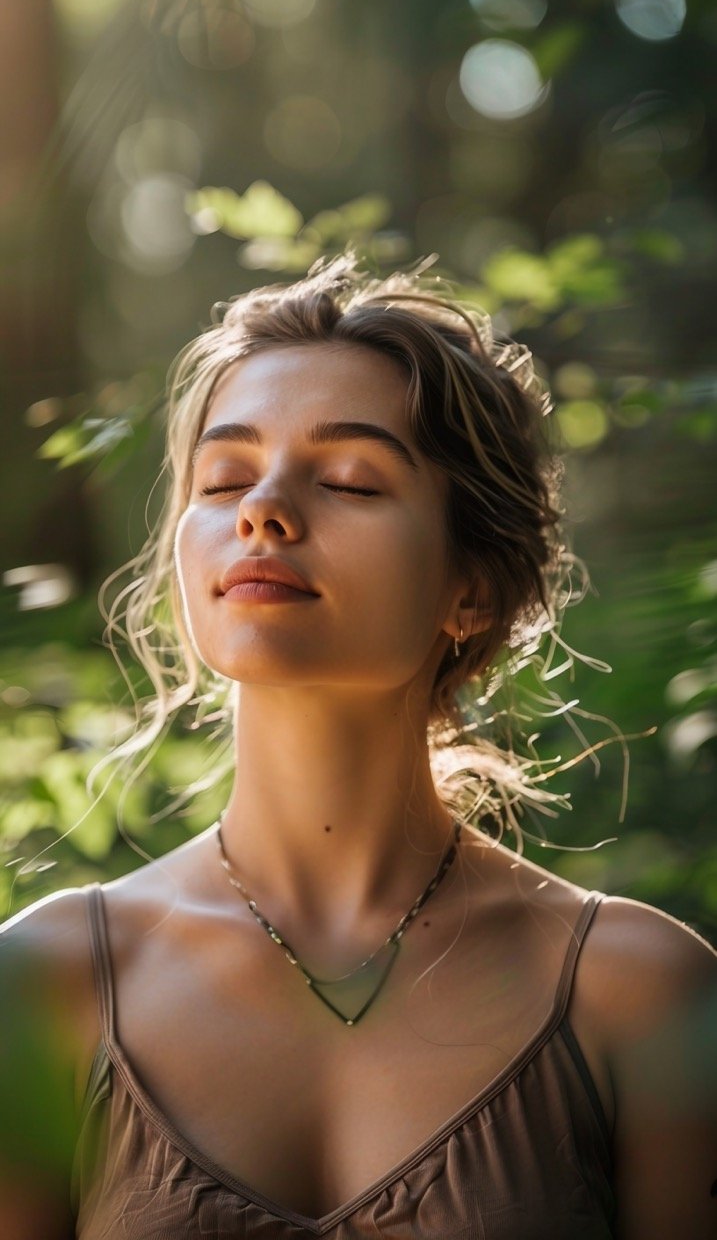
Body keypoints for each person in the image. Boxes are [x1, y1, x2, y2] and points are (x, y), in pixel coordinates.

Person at [0, 254, 715, 1239]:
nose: (263, 509)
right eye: (225, 476)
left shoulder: (641, 994)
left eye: (347, 479)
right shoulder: (41, 985)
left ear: (471, 588)